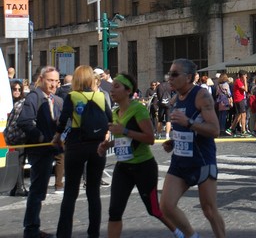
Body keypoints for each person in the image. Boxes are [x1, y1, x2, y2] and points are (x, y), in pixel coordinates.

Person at [96, 73, 182, 238]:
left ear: (128, 91)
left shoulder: (138, 109)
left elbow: (149, 138)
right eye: (112, 86)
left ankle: (179, 233)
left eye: (116, 87)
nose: (112, 91)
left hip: (143, 167)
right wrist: (108, 145)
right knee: (114, 211)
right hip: (123, 167)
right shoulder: (116, 112)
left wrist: (124, 130)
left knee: (154, 209)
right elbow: (126, 140)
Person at [159, 59, 226, 238]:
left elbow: (214, 130)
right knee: (166, 206)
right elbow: (182, 128)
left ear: (188, 77)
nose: (169, 78)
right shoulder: (175, 98)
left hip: (201, 160)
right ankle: (191, 236)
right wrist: (173, 141)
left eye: (174, 74)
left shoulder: (201, 95)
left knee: (209, 210)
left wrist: (188, 122)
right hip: (180, 160)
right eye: (169, 74)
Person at [53, 65, 113, 238]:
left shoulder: (72, 96)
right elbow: (110, 118)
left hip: (76, 144)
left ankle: (64, 233)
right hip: (97, 146)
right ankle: (93, 233)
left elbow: (63, 121)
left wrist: (57, 137)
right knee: (93, 192)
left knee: (71, 192)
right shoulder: (101, 96)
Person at [17, 66, 62, 238]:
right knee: (37, 191)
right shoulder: (34, 97)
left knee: (40, 190)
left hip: (51, 149)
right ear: (42, 79)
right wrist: (42, 138)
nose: (54, 84)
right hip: (39, 150)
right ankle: (31, 230)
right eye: (50, 80)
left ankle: (33, 227)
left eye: (56, 81)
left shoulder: (55, 99)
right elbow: (25, 122)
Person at [9, 80, 28, 197]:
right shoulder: (8, 102)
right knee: (16, 162)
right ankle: (18, 187)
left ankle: (18, 187)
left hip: (19, 136)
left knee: (20, 162)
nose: (17, 92)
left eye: (19, 89)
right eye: (14, 89)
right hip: (12, 136)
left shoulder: (22, 103)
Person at [226, 70, 249, 137]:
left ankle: (231, 129)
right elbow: (246, 89)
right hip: (239, 99)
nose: (246, 77)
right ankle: (243, 131)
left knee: (238, 115)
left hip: (239, 99)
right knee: (243, 115)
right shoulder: (238, 81)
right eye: (245, 76)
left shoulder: (238, 81)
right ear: (243, 76)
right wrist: (245, 81)